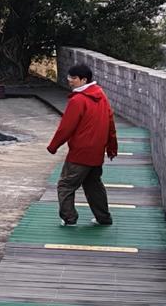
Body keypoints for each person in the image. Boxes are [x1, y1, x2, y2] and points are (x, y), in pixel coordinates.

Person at [46, 62, 118, 227]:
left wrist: (53, 146)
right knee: (93, 184)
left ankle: (69, 218)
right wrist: (111, 147)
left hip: (80, 152)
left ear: (83, 80)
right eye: (69, 77)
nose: (69, 80)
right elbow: (110, 122)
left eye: (73, 78)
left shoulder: (78, 100)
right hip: (96, 151)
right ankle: (104, 218)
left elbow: (66, 127)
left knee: (65, 185)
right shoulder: (101, 94)